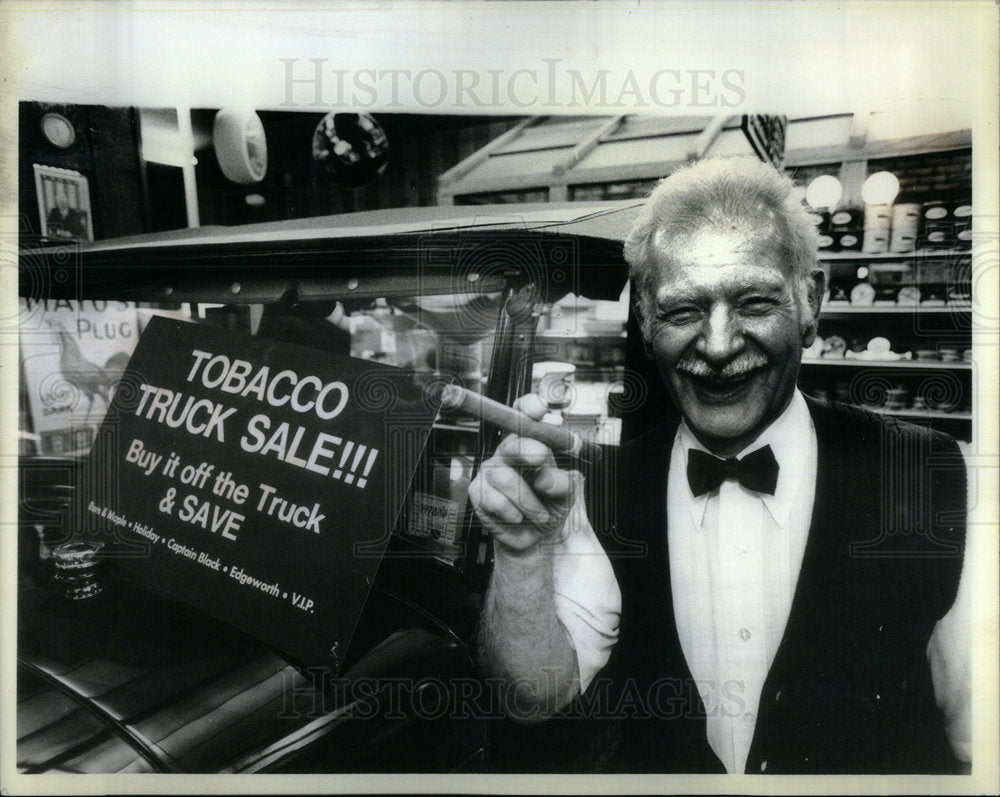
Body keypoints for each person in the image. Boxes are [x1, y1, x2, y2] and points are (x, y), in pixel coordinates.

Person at [469, 157, 970, 774]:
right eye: (682, 311)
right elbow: (532, 696)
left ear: (811, 300)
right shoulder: (603, 487)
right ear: (646, 324)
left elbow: (979, 737)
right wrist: (521, 556)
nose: (718, 345)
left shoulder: (932, 475)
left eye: (755, 302)